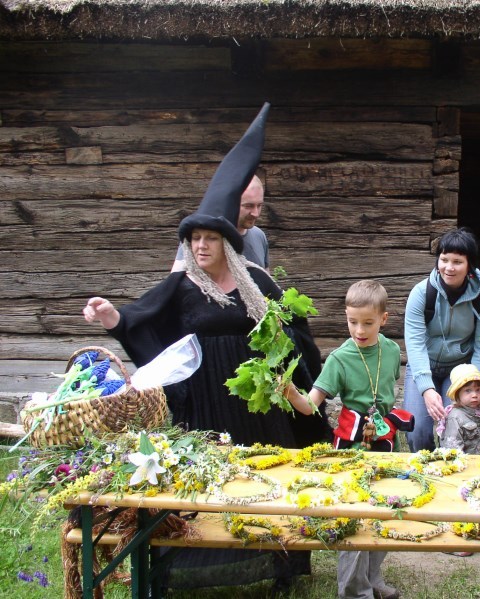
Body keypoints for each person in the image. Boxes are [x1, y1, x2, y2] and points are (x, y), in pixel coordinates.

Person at [83, 103, 325, 592]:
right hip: (206, 399)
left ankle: (279, 564)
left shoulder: (256, 283)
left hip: (258, 401)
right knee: (205, 480)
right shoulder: (182, 285)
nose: (199, 247)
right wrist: (111, 317)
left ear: (227, 243)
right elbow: (142, 316)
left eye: (208, 239)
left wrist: (284, 362)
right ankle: (189, 568)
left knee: (264, 475)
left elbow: (297, 331)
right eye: (193, 239)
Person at [286, 280, 405, 599]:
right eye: (353, 322)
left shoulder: (392, 350)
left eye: (368, 322)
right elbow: (311, 404)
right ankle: (354, 592)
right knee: (353, 513)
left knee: (383, 508)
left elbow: (387, 393)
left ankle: (372, 577)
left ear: (384, 318)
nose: (359, 330)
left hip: (385, 442)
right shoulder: (340, 358)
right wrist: (292, 393)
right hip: (351, 445)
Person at [403, 227, 480, 452]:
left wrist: (472, 381)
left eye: (457, 261)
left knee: (459, 427)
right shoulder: (422, 293)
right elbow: (414, 342)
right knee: (418, 431)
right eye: (444, 259)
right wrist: (426, 388)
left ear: (469, 265)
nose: (449, 267)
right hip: (423, 365)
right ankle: (425, 472)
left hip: (460, 370)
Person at [172, 174, 269, 271]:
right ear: (231, 203)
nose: (255, 213)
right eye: (248, 206)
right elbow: (176, 281)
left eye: (259, 205)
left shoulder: (259, 236)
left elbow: (266, 282)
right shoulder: (201, 238)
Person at [438, 363, 480, 454]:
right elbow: (453, 450)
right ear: (457, 394)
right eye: (468, 390)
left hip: (479, 462)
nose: (474, 395)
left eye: (478, 390)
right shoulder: (454, 417)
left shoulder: (476, 412)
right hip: (464, 464)